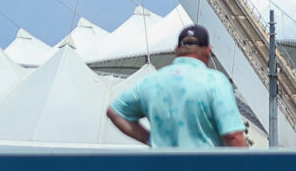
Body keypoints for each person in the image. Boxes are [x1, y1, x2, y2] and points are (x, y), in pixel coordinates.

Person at [106, 23, 250, 148]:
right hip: (205, 168)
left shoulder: (150, 82)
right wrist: (246, 167)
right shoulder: (215, 81)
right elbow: (233, 136)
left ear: (176, 49)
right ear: (208, 50)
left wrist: (150, 140)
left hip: (162, 167)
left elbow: (115, 112)